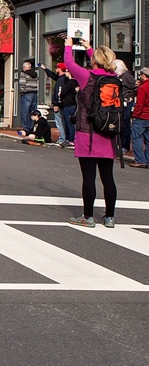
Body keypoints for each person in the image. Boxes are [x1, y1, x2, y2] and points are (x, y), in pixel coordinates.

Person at [63, 40, 119, 228]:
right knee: (108, 177)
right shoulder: (113, 77)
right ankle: (110, 217)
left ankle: (87, 216)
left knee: (88, 177)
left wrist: (69, 45)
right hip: (108, 132)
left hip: (88, 133)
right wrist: (89, 49)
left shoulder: (87, 76)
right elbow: (101, 64)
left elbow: (69, 63)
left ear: (94, 60)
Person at [38, 61, 67, 145]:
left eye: (57, 68)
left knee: (60, 122)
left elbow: (59, 92)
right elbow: (53, 75)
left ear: (60, 69)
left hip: (59, 104)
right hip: (62, 104)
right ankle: (64, 138)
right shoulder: (62, 78)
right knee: (62, 122)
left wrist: (56, 104)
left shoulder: (61, 80)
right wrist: (45, 69)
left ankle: (62, 138)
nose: (56, 69)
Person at [114, 59, 137, 153]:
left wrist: (131, 96)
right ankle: (119, 144)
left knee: (125, 124)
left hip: (125, 103)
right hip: (118, 102)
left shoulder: (127, 76)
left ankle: (125, 145)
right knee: (118, 124)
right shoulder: (118, 76)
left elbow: (136, 88)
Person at [130, 67, 149, 168]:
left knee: (137, 138)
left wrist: (134, 115)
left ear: (143, 75)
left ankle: (141, 160)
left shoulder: (142, 87)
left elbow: (140, 104)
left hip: (142, 116)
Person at [57, 68, 79, 149]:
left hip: (69, 105)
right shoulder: (75, 82)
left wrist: (60, 93)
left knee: (69, 123)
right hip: (72, 104)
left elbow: (62, 93)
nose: (65, 73)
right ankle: (70, 139)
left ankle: (71, 140)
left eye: (66, 71)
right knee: (70, 122)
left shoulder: (70, 82)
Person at [17, 59, 39, 134]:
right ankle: (31, 127)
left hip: (27, 94)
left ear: (24, 68)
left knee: (24, 112)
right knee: (32, 112)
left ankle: (26, 128)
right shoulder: (35, 74)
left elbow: (22, 84)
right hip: (34, 94)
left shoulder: (24, 74)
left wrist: (21, 92)